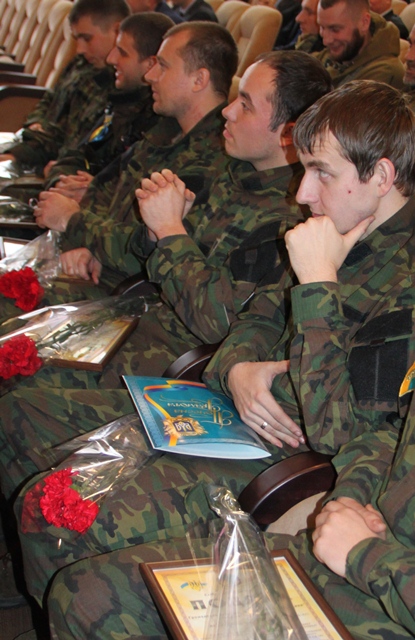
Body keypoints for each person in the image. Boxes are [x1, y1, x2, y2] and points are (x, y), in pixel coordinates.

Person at [1, 51, 333, 607]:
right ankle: (27, 561)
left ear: (288, 131)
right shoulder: (235, 174)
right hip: (151, 327)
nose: (227, 111)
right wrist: (154, 231)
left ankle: (39, 569)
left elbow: (219, 321)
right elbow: (147, 254)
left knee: (24, 415)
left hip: (181, 363)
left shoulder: (292, 218)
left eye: (245, 103)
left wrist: (172, 233)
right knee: (17, 391)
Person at [46, 365, 415, 640]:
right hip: (359, 544)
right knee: (84, 594)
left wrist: (366, 556)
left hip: (383, 589)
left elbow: (332, 428)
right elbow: (390, 435)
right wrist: (349, 500)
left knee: (85, 528)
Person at [0, 21, 236, 324]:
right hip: (93, 272)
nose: (150, 75)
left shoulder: (214, 159)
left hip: (128, 302)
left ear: (199, 79)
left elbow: (150, 248)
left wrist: (74, 222)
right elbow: (103, 188)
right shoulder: (165, 131)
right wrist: (84, 241)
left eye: (163, 66)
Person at [42, 12, 174, 197]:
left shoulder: (159, 120)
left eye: (122, 53)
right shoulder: (122, 103)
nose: (111, 59)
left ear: (150, 64)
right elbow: (77, 155)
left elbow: (132, 195)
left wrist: (92, 191)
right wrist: (60, 182)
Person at [0, 0, 131, 174]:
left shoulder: (121, 88)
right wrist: (36, 122)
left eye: (87, 38)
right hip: (40, 150)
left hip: (55, 168)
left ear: (117, 31)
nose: (79, 49)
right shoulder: (80, 64)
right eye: (77, 39)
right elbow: (50, 98)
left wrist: (19, 155)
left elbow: (72, 145)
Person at [315, 0, 404, 88]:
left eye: (335, 29)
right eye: (322, 27)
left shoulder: (384, 74)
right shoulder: (342, 51)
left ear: (364, 23)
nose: (326, 41)